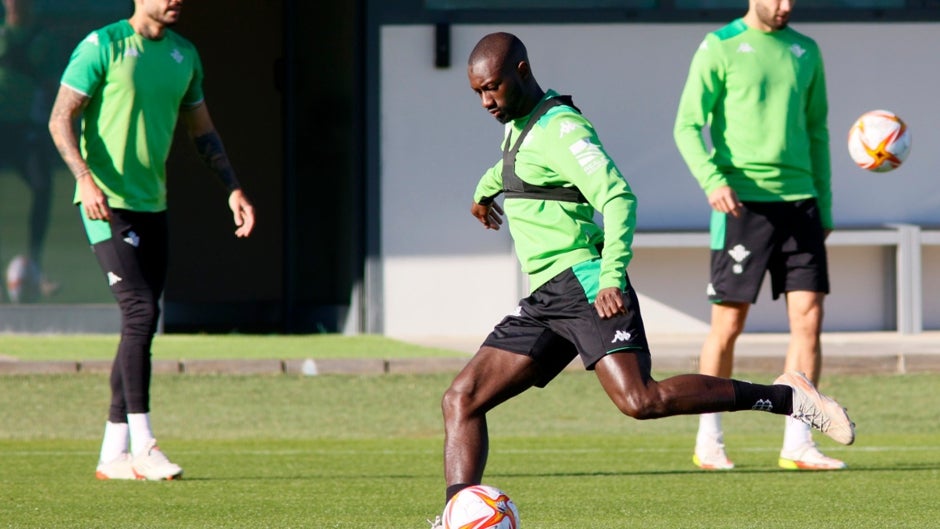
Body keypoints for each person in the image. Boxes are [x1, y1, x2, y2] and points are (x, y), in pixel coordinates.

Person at [430, 31, 852, 526]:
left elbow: (618, 197)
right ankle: (457, 516)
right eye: (478, 92)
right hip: (548, 297)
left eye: (493, 88)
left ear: (521, 72)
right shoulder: (517, 122)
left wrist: (611, 276)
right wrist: (483, 192)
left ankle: (790, 398)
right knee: (461, 398)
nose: (486, 101)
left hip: (588, 285)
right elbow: (514, 165)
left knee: (640, 400)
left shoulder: (564, 128)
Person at [48, 0, 255, 480]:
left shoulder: (185, 55)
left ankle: (112, 454)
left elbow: (202, 131)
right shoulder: (103, 45)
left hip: (152, 205)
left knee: (140, 323)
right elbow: (62, 117)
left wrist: (233, 188)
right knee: (140, 311)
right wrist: (83, 177)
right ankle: (144, 444)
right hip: (105, 203)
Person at [673, 0, 839, 470]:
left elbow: (817, 129)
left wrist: (824, 202)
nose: (785, 6)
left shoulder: (806, 50)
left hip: (801, 202)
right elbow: (686, 126)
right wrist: (712, 180)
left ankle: (798, 441)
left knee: (808, 318)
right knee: (728, 325)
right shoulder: (719, 46)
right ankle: (709, 438)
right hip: (741, 204)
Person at [0, 0, 60, 303]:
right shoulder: (1, 35)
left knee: (43, 185)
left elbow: (53, 87)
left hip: (26, 130)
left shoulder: (43, 40)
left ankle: (35, 262)